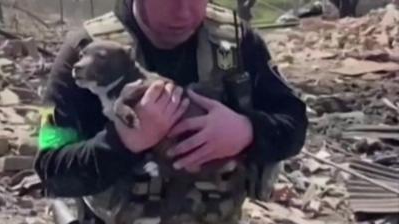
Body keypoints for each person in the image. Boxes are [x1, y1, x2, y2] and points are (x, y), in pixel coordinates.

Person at [34, 0, 308, 223]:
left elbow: (294, 123)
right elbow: (50, 170)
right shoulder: (86, 55)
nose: (184, 11)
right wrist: (123, 142)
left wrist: (246, 131)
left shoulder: (236, 42)